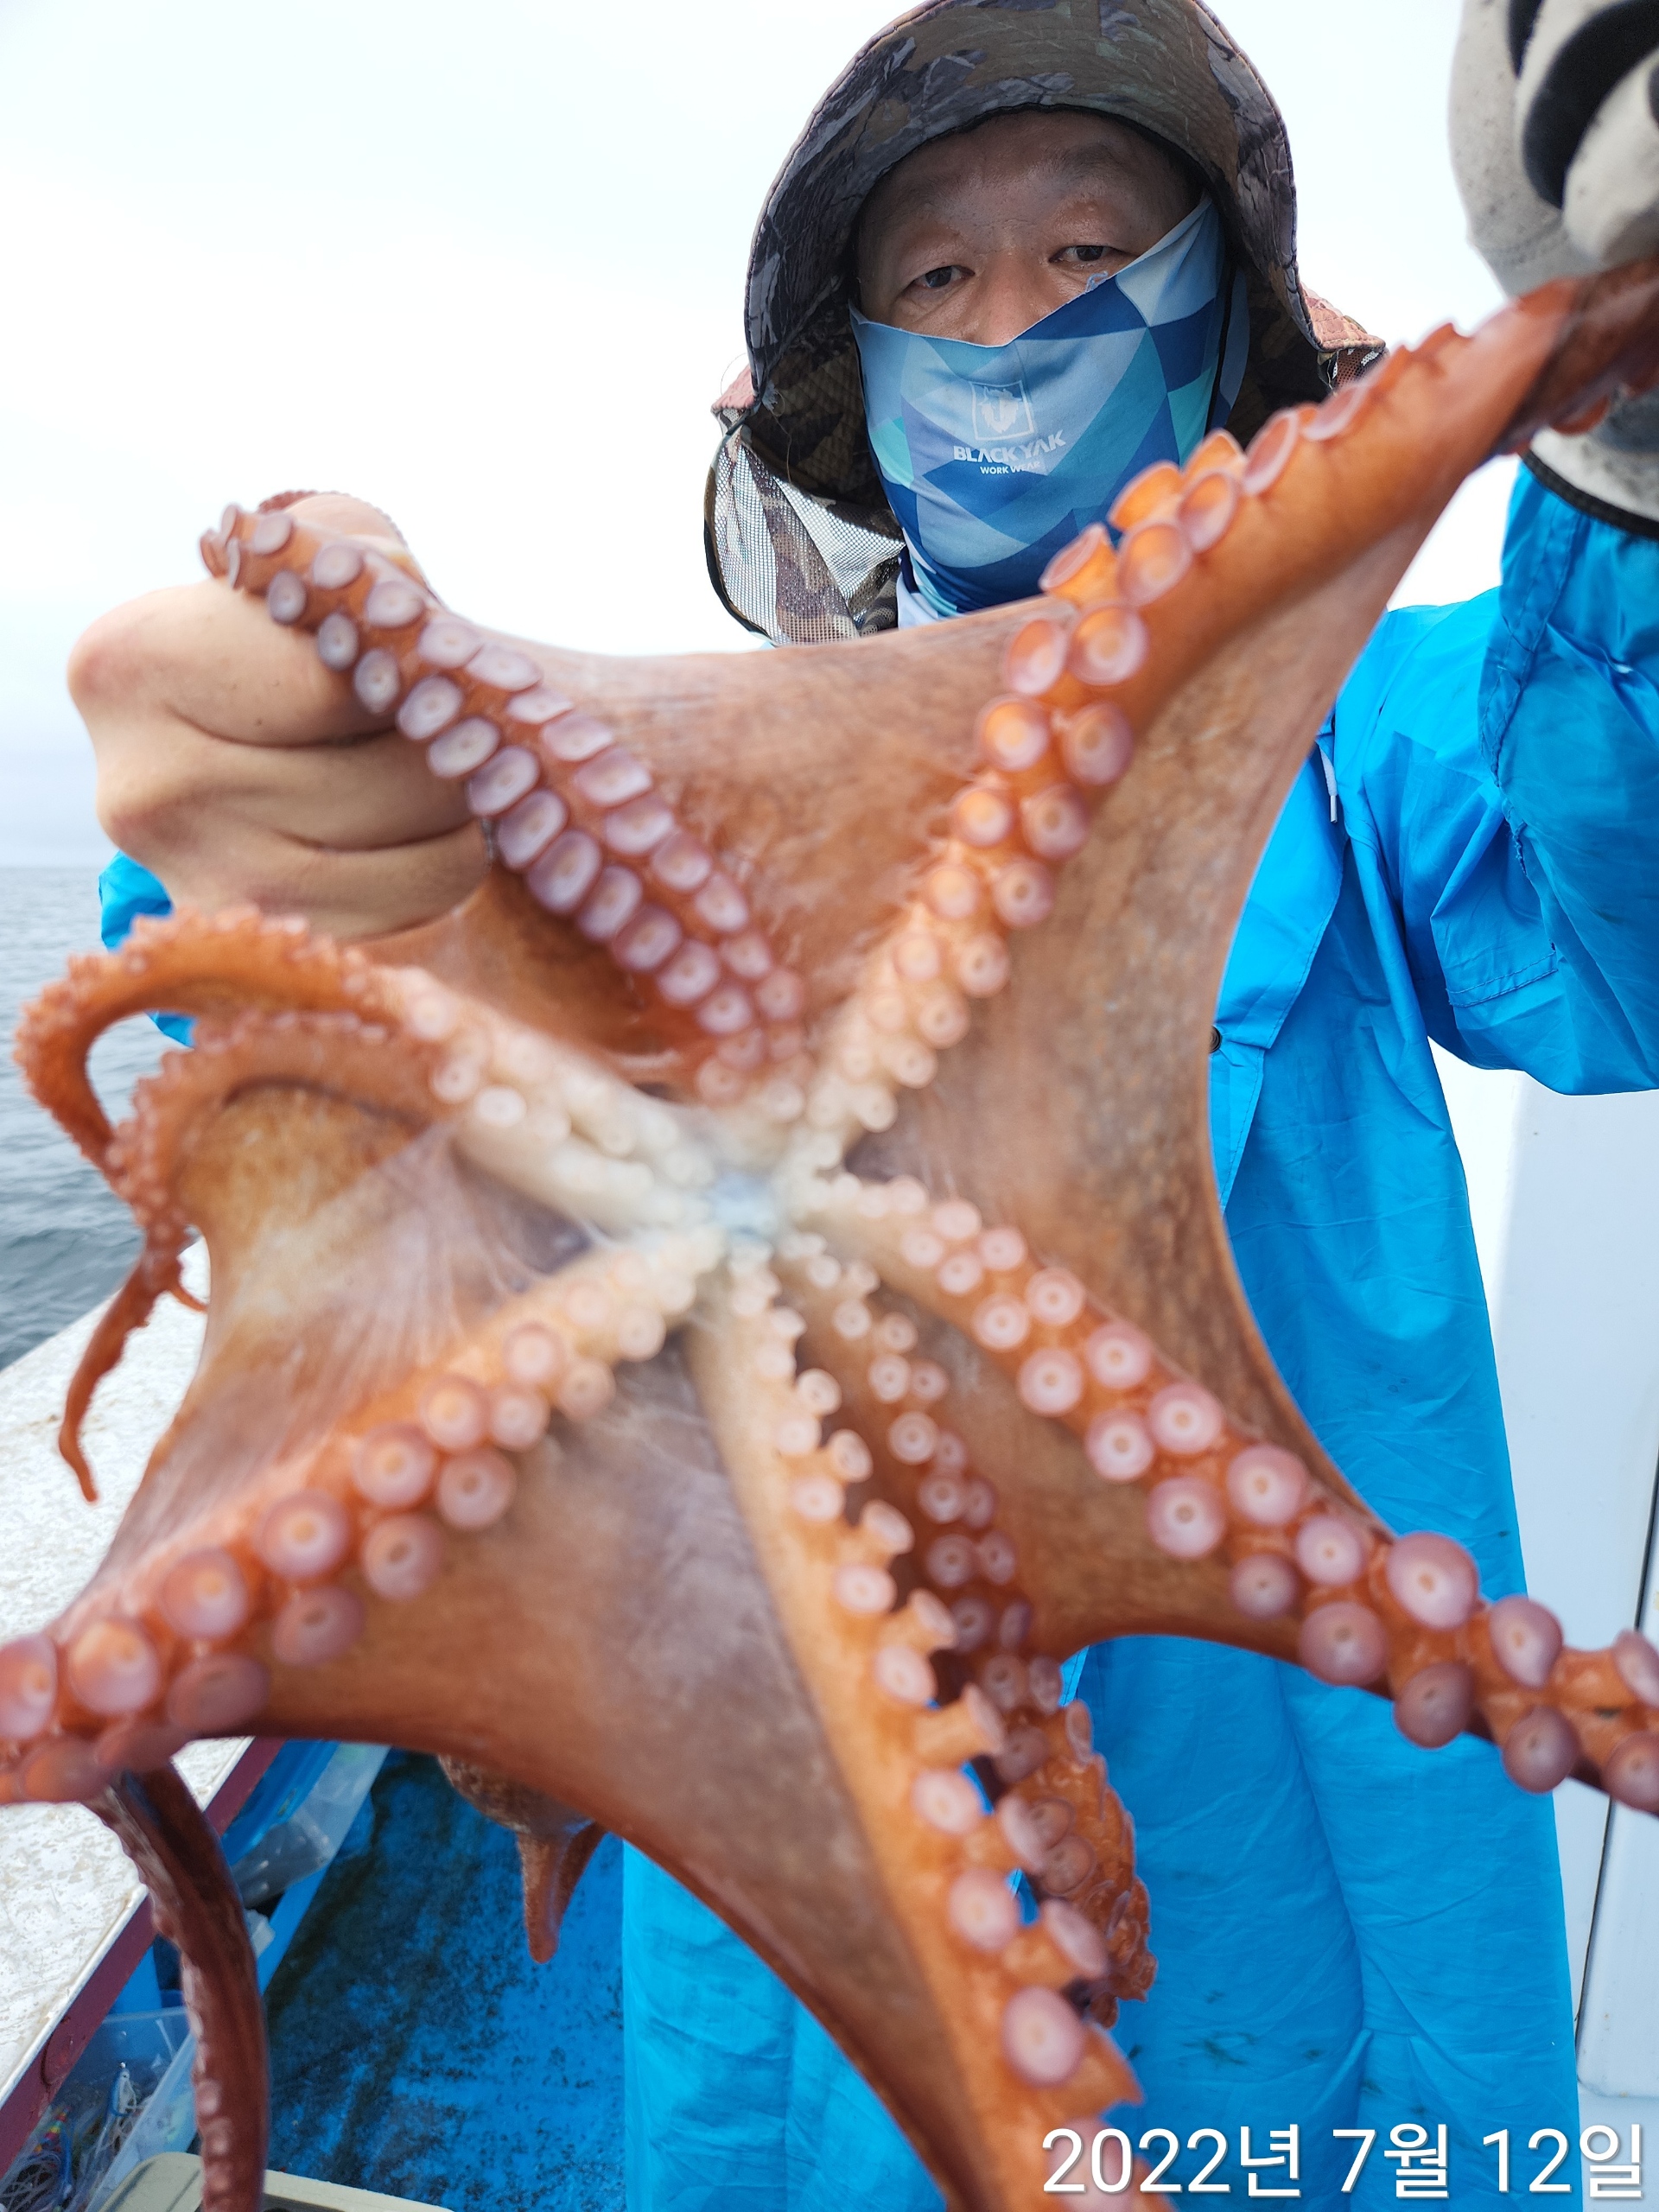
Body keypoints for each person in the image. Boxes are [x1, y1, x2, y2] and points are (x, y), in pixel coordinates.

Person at [68, 2, 1659, 2204]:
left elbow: (1615, 873)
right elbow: (350, 1087)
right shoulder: (680, 806)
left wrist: (1628, 463)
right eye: (937, 276)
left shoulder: (1348, 746)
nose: (1013, 328)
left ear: (1223, 333)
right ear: (864, 388)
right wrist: (271, 818)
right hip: (797, 1888)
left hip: (1301, 1881)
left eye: (1091, 253)